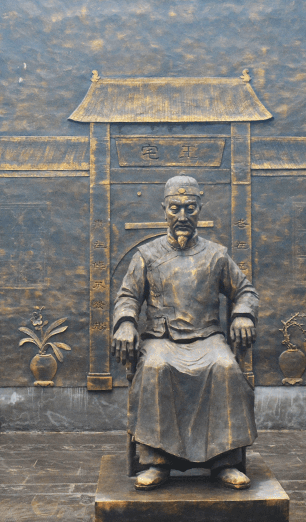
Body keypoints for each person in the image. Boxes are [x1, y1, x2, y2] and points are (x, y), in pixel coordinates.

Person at [111, 175, 258, 491]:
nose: (182, 216)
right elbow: (127, 296)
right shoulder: (147, 255)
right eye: (175, 208)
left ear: (200, 209)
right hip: (161, 339)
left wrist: (243, 314)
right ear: (164, 209)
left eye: (190, 208)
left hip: (207, 338)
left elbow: (245, 291)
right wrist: (125, 323)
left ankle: (224, 462)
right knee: (154, 368)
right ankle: (156, 461)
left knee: (225, 367)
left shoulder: (216, 255)